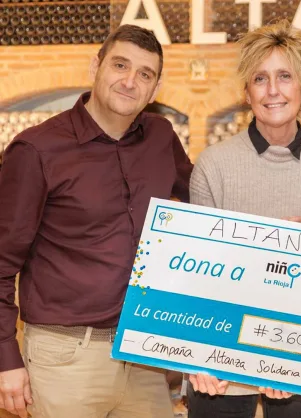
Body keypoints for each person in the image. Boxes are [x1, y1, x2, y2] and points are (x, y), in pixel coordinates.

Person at [0, 24, 193, 418]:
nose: (130, 81)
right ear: (96, 66)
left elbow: (205, 206)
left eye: (145, 74)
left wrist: (278, 232)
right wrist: (5, 358)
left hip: (144, 355)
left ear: (155, 89)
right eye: (120, 65)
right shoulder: (37, 149)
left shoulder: (161, 137)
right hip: (65, 357)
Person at [187, 20, 301, 418]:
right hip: (221, 364)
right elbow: (196, 274)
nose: (273, 90)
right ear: (246, 92)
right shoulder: (213, 166)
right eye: (260, 79)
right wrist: (197, 353)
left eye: (285, 76)